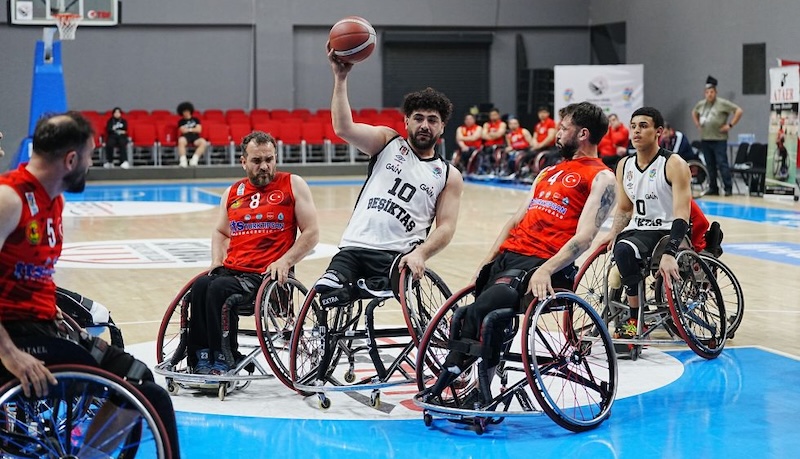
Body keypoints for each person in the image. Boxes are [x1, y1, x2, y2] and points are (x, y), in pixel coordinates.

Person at [0, 112, 180, 456]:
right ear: (71, 159)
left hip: (43, 326)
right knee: (149, 396)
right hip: (18, 337)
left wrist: (50, 305)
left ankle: (86, 454)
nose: (91, 163)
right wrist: (10, 355)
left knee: (139, 374)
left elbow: (22, 272)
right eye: (90, 155)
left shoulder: (53, 199)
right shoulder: (10, 199)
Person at [421, 101, 616, 404]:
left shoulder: (602, 177)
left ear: (583, 134)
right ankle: (465, 372)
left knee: (484, 313)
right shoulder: (548, 172)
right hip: (509, 258)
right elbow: (515, 220)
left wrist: (546, 269)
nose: (557, 133)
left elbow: (586, 237)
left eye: (563, 128)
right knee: (462, 315)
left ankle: (480, 386)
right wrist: (486, 263)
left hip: (543, 263)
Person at [316, 46, 463, 317]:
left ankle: (357, 290)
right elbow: (343, 128)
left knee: (379, 285)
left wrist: (422, 254)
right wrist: (340, 78)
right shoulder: (387, 142)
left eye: (433, 120)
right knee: (325, 287)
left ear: (442, 127)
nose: (424, 125)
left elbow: (446, 228)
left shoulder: (447, 174)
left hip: (395, 256)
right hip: (354, 246)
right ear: (406, 121)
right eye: (418, 118)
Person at [188, 130, 319, 374]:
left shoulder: (293, 184)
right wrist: (217, 260)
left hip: (266, 277)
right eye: (257, 161)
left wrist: (285, 261)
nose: (264, 166)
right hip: (233, 272)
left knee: (217, 289)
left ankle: (224, 356)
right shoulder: (233, 192)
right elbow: (221, 232)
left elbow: (311, 233)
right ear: (243, 162)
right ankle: (200, 356)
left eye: (269, 159)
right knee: (201, 286)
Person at [603, 106, 692, 339]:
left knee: (624, 251)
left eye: (643, 126)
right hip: (638, 229)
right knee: (617, 249)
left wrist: (671, 251)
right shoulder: (624, 165)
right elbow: (624, 208)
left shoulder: (674, 164)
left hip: (666, 231)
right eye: (633, 127)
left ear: (658, 132)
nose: (636, 132)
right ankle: (621, 310)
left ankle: (634, 320)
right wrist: (613, 233)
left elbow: (683, 214)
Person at [691, 75, 744, 196]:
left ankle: (728, 187)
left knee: (722, 163)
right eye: (707, 92)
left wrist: (730, 125)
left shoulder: (722, 103)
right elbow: (694, 112)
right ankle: (713, 187)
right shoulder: (701, 104)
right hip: (706, 138)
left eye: (712, 92)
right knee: (710, 164)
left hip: (719, 139)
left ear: (715, 92)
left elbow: (739, 111)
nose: (709, 94)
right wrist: (697, 124)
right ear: (705, 93)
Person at [176, 101, 208, 167]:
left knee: (203, 142)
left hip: (195, 137)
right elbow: (183, 130)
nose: (186, 113)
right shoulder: (181, 121)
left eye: (187, 111)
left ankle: (194, 160)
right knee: (181, 141)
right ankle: (183, 161)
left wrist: (189, 129)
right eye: (184, 112)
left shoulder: (196, 120)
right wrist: (193, 129)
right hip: (185, 137)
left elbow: (199, 130)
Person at [481, 108, 507, 174]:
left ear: (498, 115)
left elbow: (499, 134)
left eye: (495, 115)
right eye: (491, 115)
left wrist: (489, 134)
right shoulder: (486, 124)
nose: (493, 117)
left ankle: (497, 169)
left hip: (499, 146)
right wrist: (494, 135)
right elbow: (483, 135)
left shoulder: (502, 124)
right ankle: (486, 169)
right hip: (487, 146)